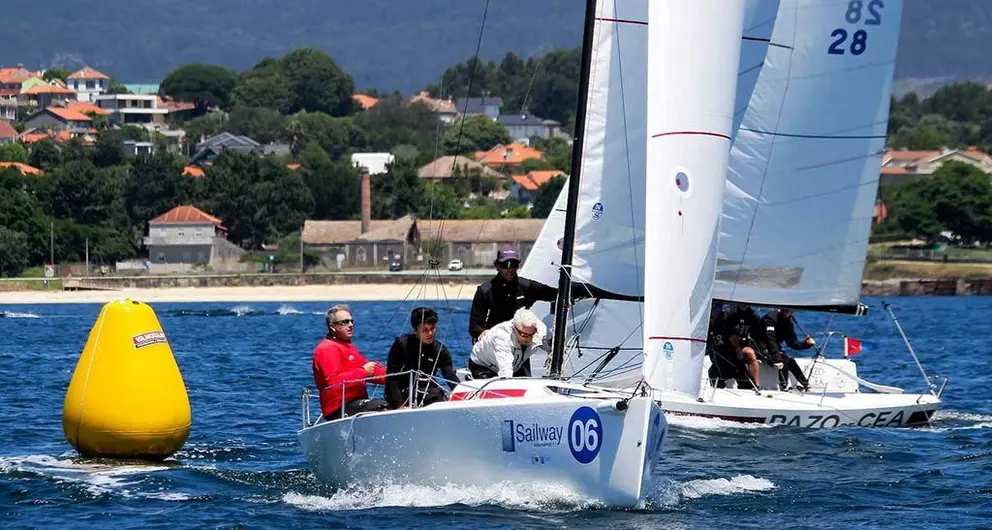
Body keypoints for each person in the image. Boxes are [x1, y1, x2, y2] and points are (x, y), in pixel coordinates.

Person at [311, 304, 388, 420]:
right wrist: (363, 372)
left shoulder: (350, 348)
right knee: (380, 405)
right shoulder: (326, 349)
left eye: (352, 321)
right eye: (345, 322)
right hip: (338, 408)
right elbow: (333, 381)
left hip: (356, 404)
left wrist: (397, 375)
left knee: (398, 400)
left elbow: (372, 372)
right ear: (332, 327)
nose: (350, 325)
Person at [469, 246, 557, 343]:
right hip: (494, 342)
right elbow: (474, 326)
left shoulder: (527, 287)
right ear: (498, 266)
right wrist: (483, 333)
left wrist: (574, 290)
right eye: (505, 265)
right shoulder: (485, 291)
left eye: (513, 265)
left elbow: (554, 293)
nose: (509, 270)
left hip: (521, 343)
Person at [384, 307, 459, 409]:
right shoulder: (401, 345)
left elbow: (450, 377)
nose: (430, 334)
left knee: (438, 394)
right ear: (415, 330)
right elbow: (391, 379)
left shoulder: (441, 351)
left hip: (430, 393)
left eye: (432, 329)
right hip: (402, 394)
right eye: (424, 330)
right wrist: (399, 405)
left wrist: (462, 394)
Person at [469, 308, 548, 379]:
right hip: (484, 366)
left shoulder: (540, 330)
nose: (529, 338)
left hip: (516, 365)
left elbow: (553, 347)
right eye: (524, 335)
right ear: (514, 329)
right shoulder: (502, 337)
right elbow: (505, 371)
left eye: (532, 334)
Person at [761, 308, 815, 391]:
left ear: (791, 312)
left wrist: (806, 344)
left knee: (791, 361)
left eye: (788, 311)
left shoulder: (788, 321)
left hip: (774, 348)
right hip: (761, 348)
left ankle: (805, 384)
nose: (785, 313)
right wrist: (778, 358)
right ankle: (784, 386)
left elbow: (793, 343)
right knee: (784, 358)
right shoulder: (770, 318)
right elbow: (770, 341)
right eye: (783, 310)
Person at [722, 302, 764, 388]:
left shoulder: (754, 317)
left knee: (751, 354)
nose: (744, 305)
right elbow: (729, 335)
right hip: (730, 345)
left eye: (746, 303)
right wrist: (737, 348)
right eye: (742, 303)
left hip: (746, 345)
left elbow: (759, 335)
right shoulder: (731, 316)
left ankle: (756, 384)